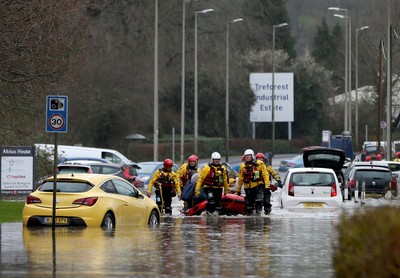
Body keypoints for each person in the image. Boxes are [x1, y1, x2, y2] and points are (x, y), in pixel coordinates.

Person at [237, 149, 269, 215]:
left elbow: (265, 175)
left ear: (252, 156)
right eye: (246, 156)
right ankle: (250, 215)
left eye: (248, 156)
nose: (247, 157)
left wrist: (267, 186)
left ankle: (259, 213)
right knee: (249, 205)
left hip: (258, 185)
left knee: (259, 200)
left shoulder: (259, 164)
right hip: (248, 187)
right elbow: (240, 178)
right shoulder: (242, 166)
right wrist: (238, 189)